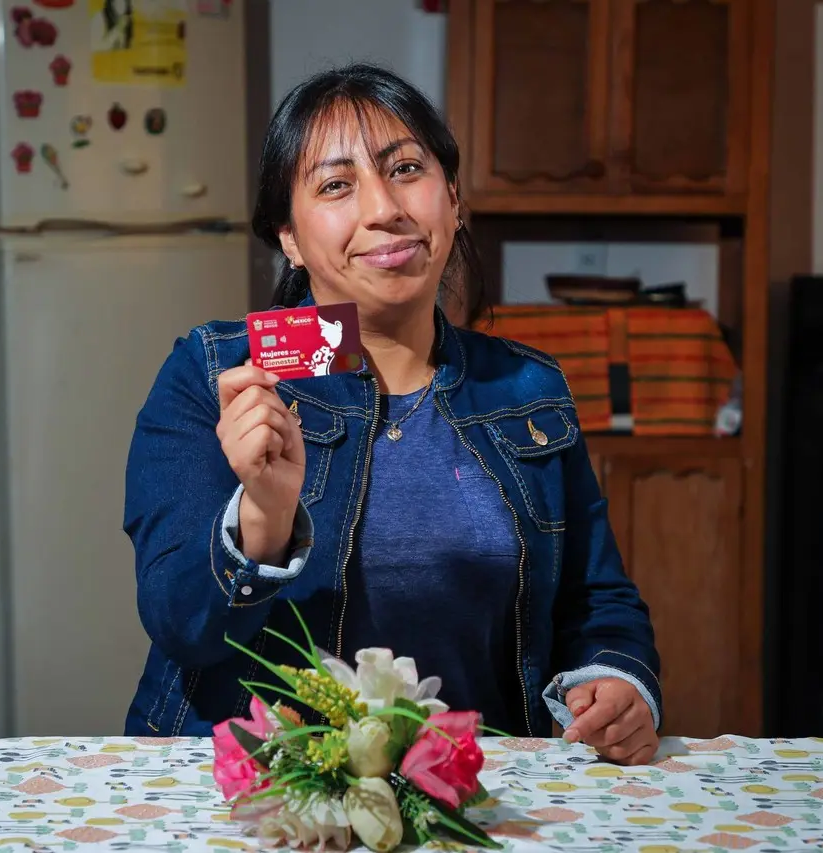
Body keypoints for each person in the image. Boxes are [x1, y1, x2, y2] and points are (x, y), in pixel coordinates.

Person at [123, 63, 662, 765]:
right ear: (288, 236)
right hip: (257, 790)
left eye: (407, 169)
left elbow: (598, 600)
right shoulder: (216, 374)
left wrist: (616, 682)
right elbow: (178, 622)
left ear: (455, 199)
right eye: (337, 184)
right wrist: (261, 518)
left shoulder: (527, 386)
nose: (384, 208)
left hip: (468, 789)